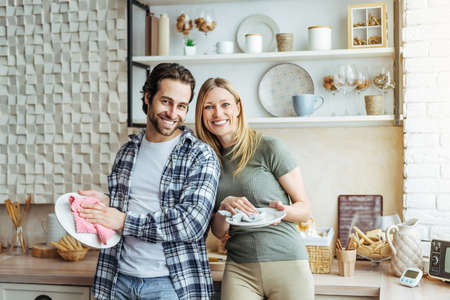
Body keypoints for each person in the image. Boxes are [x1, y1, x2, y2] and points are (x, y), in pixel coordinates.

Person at [78, 63, 221, 300]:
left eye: (182, 106)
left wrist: (123, 220)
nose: (173, 113)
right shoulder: (127, 151)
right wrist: (106, 201)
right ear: (148, 97)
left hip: (171, 285)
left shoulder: (200, 155)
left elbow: (191, 222)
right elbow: (134, 202)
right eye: (166, 101)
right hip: (117, 278)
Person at [194, 77, 315, 300]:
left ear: (238, 108)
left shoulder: (268, 147)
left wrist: (282, 212)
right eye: (208, 107)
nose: (217, 113)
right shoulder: (206, 160)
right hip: (240, 269)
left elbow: (305, 209)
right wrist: (223, 206)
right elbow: (219, 232)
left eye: (225, 105)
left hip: (287, 263)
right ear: (201, 114)